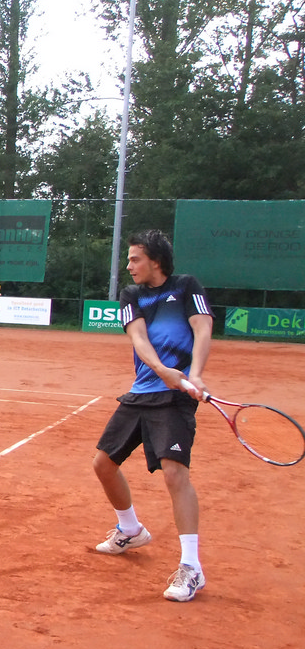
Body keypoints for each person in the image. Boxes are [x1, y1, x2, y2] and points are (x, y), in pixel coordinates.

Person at [91, 230, 212, 602]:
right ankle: (131, 530)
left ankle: (192, 567)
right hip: (142, 392)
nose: (129, 266)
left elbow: (203, 327)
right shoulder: (132, 295)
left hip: (174, 399)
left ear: (155, 261)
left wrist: (194, 375)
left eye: (135, 259)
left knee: (175, 473)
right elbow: (139, 339)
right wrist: (162, 370)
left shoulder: (187, 286)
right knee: (103, 464)